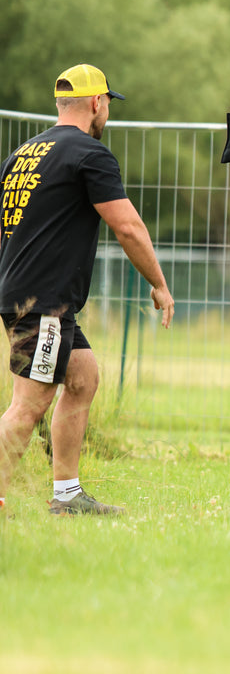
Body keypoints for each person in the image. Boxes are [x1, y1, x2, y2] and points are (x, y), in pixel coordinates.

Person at [0, 63, 174, 516]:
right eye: (107, 106)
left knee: (82, 377)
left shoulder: (22, 156)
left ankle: (67, 495)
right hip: (44, 302)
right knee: (29, 404)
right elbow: (128, 227)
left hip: (25, 292)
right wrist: (158, 284)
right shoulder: (90, 154)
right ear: (97, 103)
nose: (107, 115)